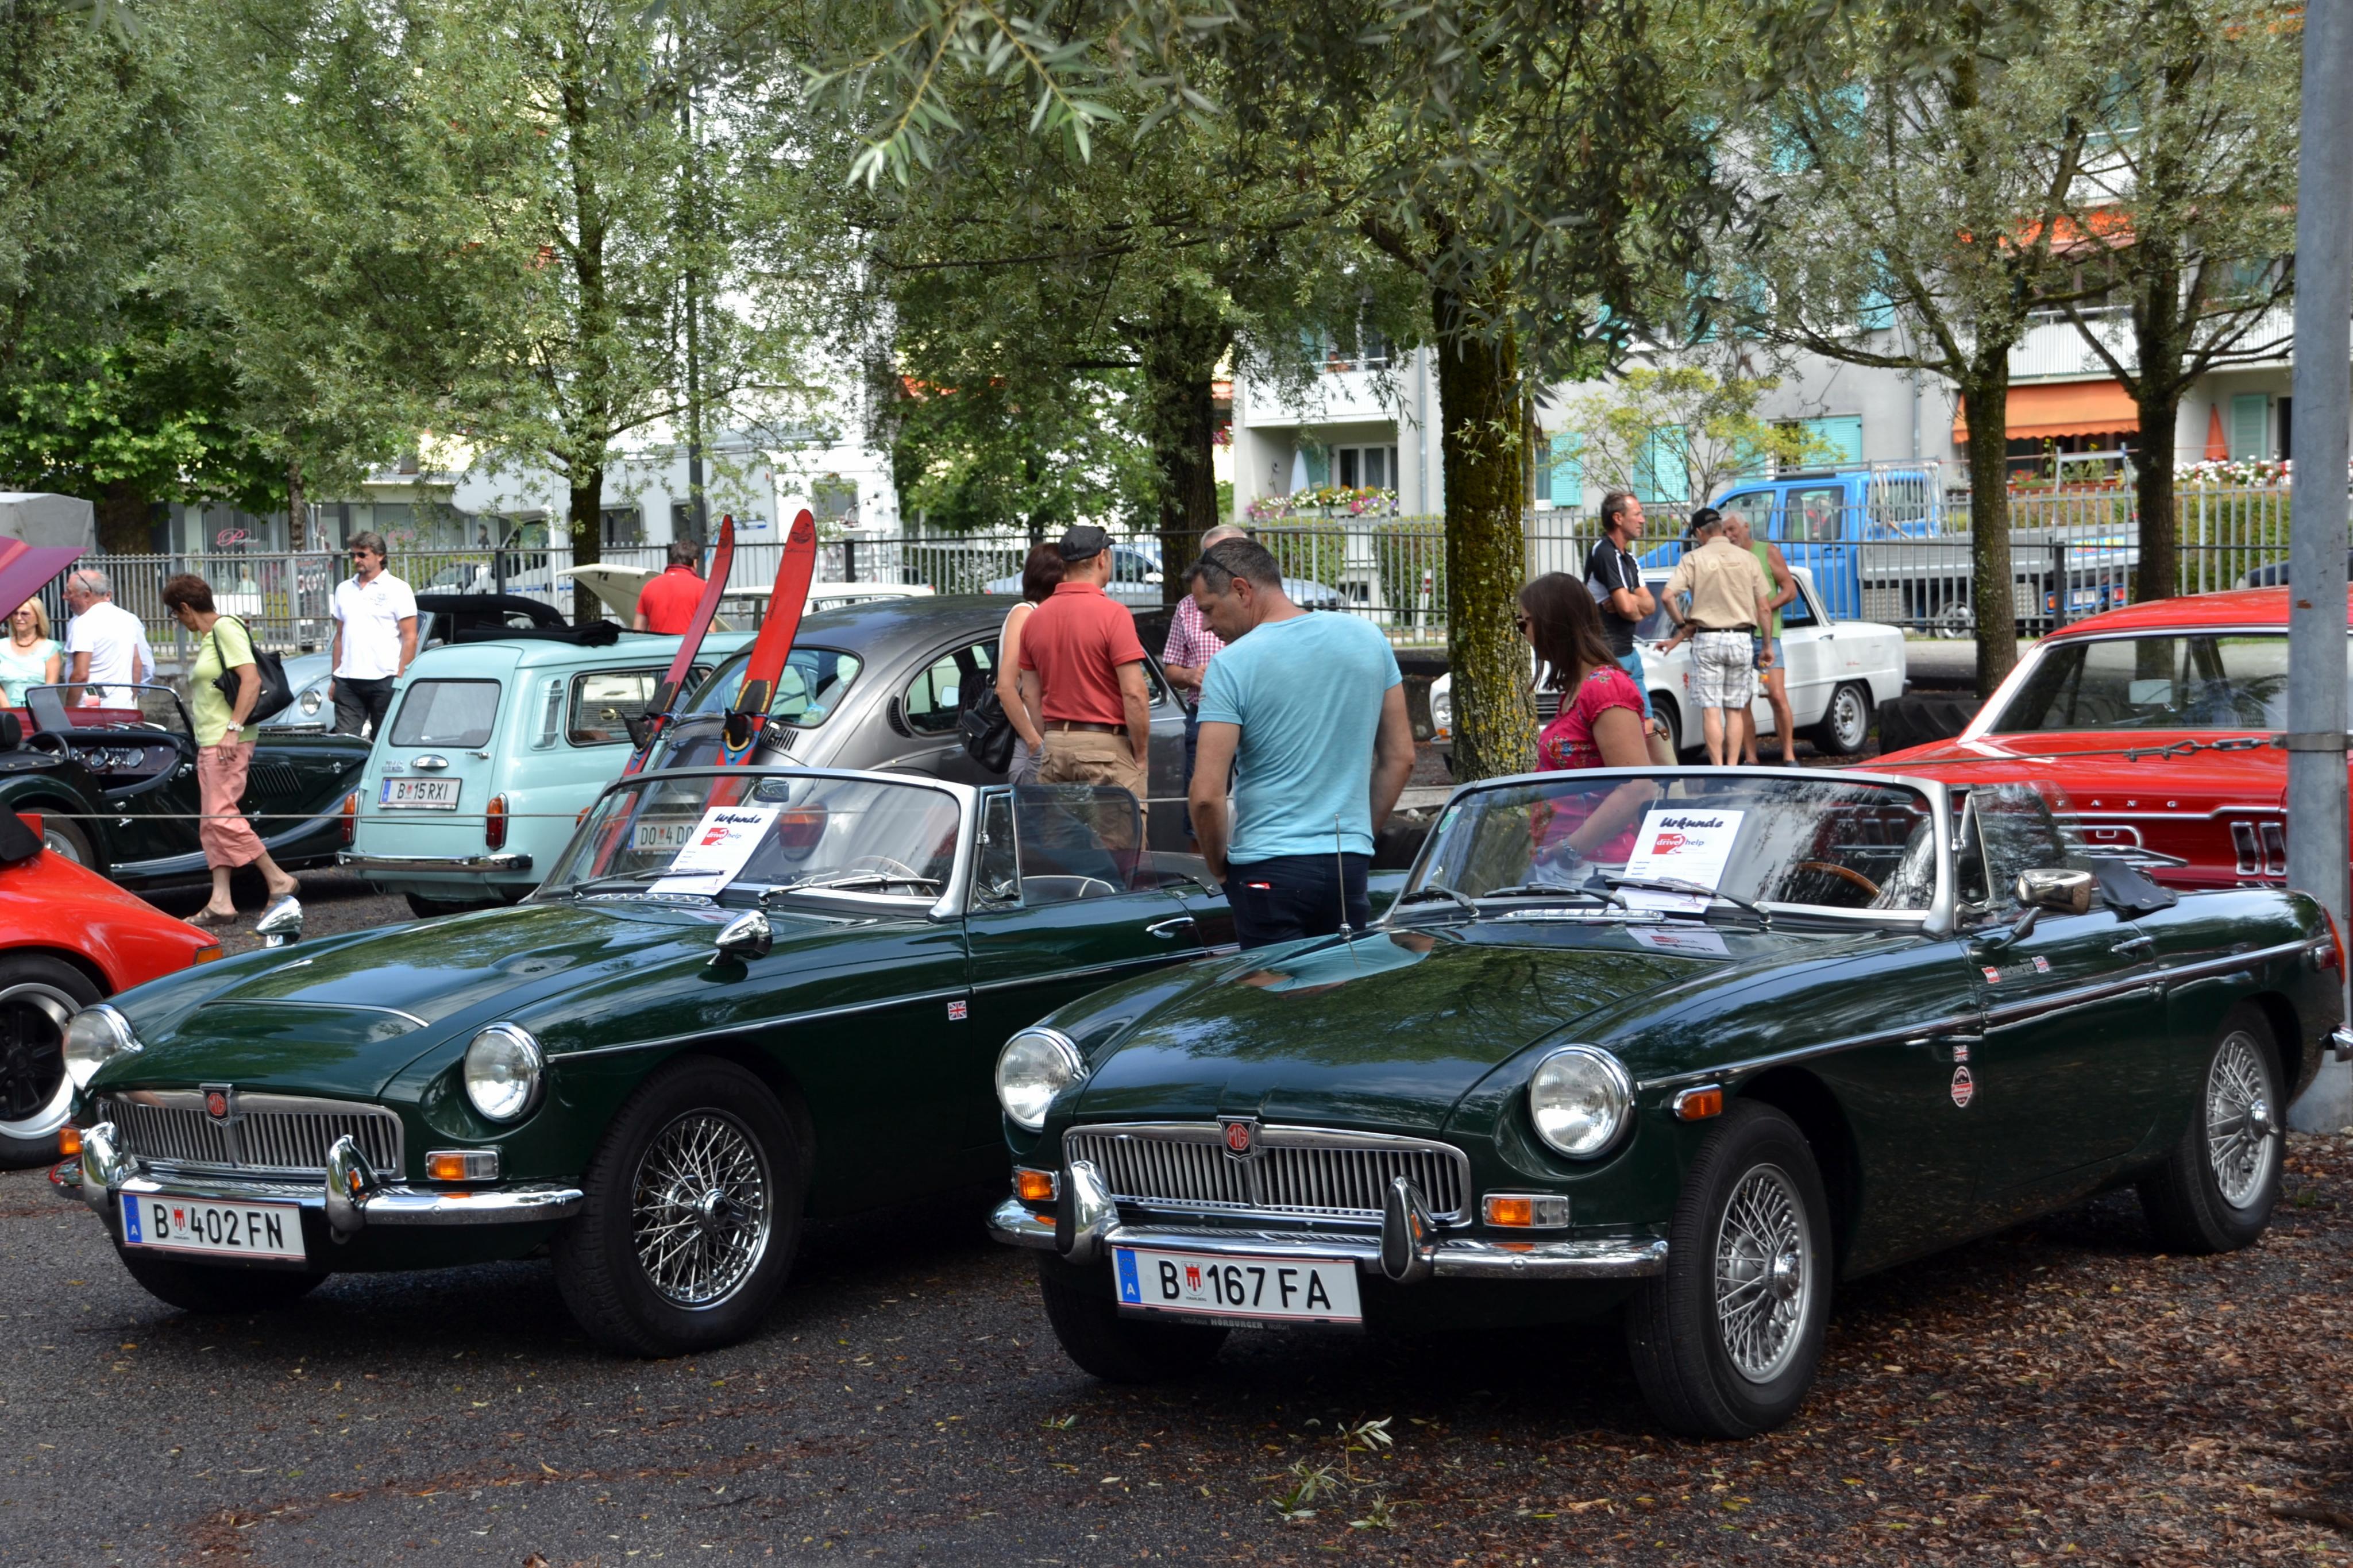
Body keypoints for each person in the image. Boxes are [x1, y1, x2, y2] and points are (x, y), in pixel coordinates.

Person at [1187, 537, 1415, 948]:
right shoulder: (1368, 638)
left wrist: (1219, 869)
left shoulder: (1231, 665)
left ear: (1241, 590)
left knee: (1274, 988)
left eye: (1207, 609)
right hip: (1347, 864)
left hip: (1266, 865)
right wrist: (1358, 836)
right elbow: (1401, 758)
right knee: (1340, 983)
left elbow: (1206, 796)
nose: (1205, 625)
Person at [161, 574, 302, 929]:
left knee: (221, 816)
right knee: (212, 823)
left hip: (227, 741)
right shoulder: (213, 635)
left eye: (176, 614)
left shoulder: (225, 628)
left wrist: (233, 729)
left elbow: (251, 680)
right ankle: (221, 901)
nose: (178, 621)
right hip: (213, 740)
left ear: (185, 607)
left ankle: (278, 878)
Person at [1521, 571, 1657, 870]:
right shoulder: (1577, 688)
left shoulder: (1605, 686)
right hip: (1568, 864)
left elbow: (1637, 789)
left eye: (1525, 622)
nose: (1523, 633)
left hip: (1595, 868)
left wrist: (1568, 848)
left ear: (1551, 621)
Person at [1015, 525, 1150, 809]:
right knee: (1120, 835)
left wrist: (1050, 740)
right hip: (1105, 750)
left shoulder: (1035, 619)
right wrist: (1140, 755)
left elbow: (1030, 695)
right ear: (1102, 558)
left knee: (1062, 835)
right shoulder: (1114, 614)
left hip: (1054, 749)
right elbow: (1135, 694)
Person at [1658, 511, 1774, 766]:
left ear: (1700, 532)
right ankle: (1732, 767)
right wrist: (1766, 645)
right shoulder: (1748, 559)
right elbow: (1765, 609)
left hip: (1707, 639)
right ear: (1721, 528)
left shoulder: (1693, 559)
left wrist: (1681, 625)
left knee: (1711, 710)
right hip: (1741, 639)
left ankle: (1718, 768)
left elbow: (1667, 597)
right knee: (1735, 710)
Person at [1161, 522, 1246, 838]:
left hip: (1260, 717)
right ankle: (1205, 867)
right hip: (1206, 716)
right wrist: (1189, 674)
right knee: (1202, 813)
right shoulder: (1187, 607)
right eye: (1214, 557)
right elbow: (1171, 670)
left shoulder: (1267, 606)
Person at [1583, 491, 1676, 766]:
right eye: (1637, 514)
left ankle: (1656, 782)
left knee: (1648, 725)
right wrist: (1633, 606)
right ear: (1618, 518)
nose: (1643, 520)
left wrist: (1632, 603)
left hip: (1629, 655)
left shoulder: (1629, 559)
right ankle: (1632, 781)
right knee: (1627, 731)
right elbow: (1628, 610)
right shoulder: (1605, 552)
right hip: (1609, 658)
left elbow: (1650, 605)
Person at [1723, 509, 1798, 764]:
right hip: (1737, 637)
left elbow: (1790, 590)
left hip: (1766, 638)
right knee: (1742, 700)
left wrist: (1764, 609)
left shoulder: (1767, 552)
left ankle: (1789, 756)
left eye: (1732, 529)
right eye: (1724, 531)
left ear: (1746, 527)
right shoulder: (1726, 557)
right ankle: (1751, 758)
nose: (1729, 535)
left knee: (1775, 694)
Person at [329, 531, 418, 737]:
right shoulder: (344, 589)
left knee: (384, 740)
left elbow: (411, 638)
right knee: (346, 742)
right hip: (348, 680)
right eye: (353, 555)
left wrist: (401, 677)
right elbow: (340, 636)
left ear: (380, 556)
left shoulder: (398, 589)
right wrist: (335, 676)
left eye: (362, 555)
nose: (356, 560)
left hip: (385, 679)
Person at [993, 543, 1064, 785]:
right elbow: (1005, 687)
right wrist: (1035, 742)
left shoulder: (1049, 614)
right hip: (1032, 744)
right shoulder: (1025, 613)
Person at [62, 568, 150, 705]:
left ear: (86, 595)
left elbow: (80, 675)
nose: (65, 597)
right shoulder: (127, 619)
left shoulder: (84, 623)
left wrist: (69, 709)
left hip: (90, 709)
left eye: (69, 592)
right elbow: (137, 665)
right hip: (123, 706)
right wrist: (130, 699)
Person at [634, 540, 708, 634]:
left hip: (658, 643)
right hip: (688, 643)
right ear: (695, 562)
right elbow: (709, 631)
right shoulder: (702, 587)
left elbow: (638, 630)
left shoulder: (649, 586)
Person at [0, 599, 61, 707]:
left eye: (25, 614)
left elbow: (50, 689)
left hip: (39, 711)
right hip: (5, 712)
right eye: (15, 614)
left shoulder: (50, 648)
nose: (19, 618)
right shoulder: (2, 646)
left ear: (38, 618)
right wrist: (8, 709)